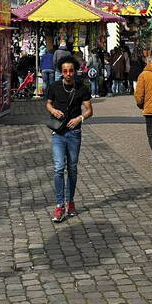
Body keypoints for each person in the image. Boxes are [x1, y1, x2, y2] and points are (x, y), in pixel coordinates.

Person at [46, 56, 93, 223]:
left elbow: (89, 110)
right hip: (58, 133)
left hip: (74, 133)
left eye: (71, 70)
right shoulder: (54, 86)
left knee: (72, 168)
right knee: (59, 168)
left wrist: (79, 118)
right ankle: (59, 205)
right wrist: (53, 111)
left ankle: (70, 201)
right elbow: (48, 103)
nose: (68, 74)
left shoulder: (82, 88)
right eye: (65, 71)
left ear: (75, 71)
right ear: (61, 72)